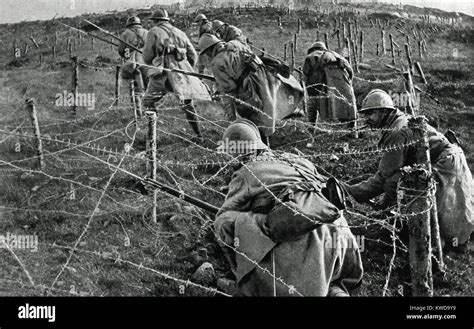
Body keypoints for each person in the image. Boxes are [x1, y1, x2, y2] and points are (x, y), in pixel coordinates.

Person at [214, 119, 364, 296]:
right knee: (325, 278)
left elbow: (225, 215)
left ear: (237, 153)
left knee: (226, 222)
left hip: (303, 238)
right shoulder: (295, 159)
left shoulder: (245, 173)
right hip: (337, 233)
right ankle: (334, 290)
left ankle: (246, 284)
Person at [344, 89, 473, 251]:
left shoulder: (396, 132)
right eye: (365, 114)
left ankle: (432, 248)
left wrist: (351, 191)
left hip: (445, 163)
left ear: (384, 112)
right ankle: (450, 240)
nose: (367, 119)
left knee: (440, 207)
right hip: (450, 157)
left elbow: (383, 178)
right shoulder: (398, 121)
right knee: (451, 204)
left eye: (371, 114)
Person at [198, 33, 302, 146]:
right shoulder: (236, 44)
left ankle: (262, 145)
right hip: (261, 78)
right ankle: (272, 133)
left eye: (206, 53)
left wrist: (219, 87)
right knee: (268, 107)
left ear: (209, 50)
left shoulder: (217, 63)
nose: (207, 56)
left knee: (253, 116)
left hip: (246, 88)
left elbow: (230, 87)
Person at [142, 8, 211, 140]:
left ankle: (153, 134)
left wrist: (155, 62)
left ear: (156, 21)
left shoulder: (153, 32)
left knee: (147, 100)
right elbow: (193, 56)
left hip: (163, 74)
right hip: (181, 73)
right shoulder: (180, 32)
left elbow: (146, 56)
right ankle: (199, 135)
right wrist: (185, 66)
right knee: (187, 104)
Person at [303, 41, 357, 127]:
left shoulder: (311, 57)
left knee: (312, 106)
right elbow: (350, 71)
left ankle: (311, 129)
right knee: (348, 107)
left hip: (320, 87)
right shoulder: (337, 55)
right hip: (342, 84)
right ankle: (352, 132)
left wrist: (307, 89)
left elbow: (305, 75)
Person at [118, 16, 149, 107]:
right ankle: (149, 111)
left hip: (133, 64)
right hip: (147, 63)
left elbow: (121, 50)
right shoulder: (147, 32)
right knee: (147, 88)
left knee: (136, 89)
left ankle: (138, 114)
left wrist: (128, 54)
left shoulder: (125, 34)